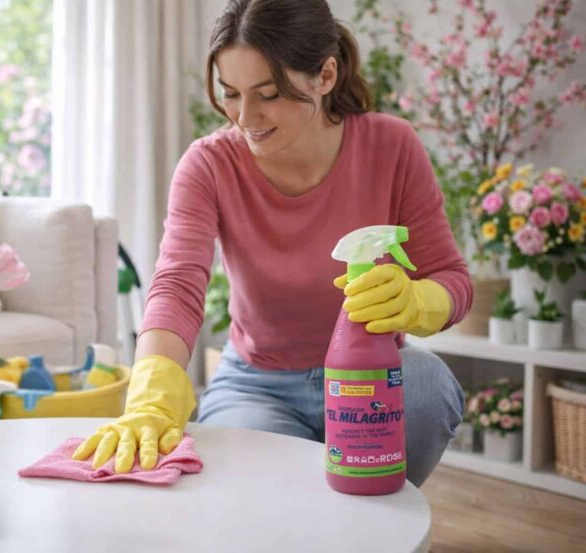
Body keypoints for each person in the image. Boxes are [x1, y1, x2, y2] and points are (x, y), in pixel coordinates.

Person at [73, 0, 471, 487]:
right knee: (259, 490)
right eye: (231, 94)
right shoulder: (209, 165)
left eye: (268, 94)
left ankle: (377, 516)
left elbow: (452, 278)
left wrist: (417, 301)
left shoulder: (392, 146)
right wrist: (150, 399)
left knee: (429, 385)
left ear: (325, 75)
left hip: (370, 374)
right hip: (257, 386)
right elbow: (177, 284)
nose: (246, 117)